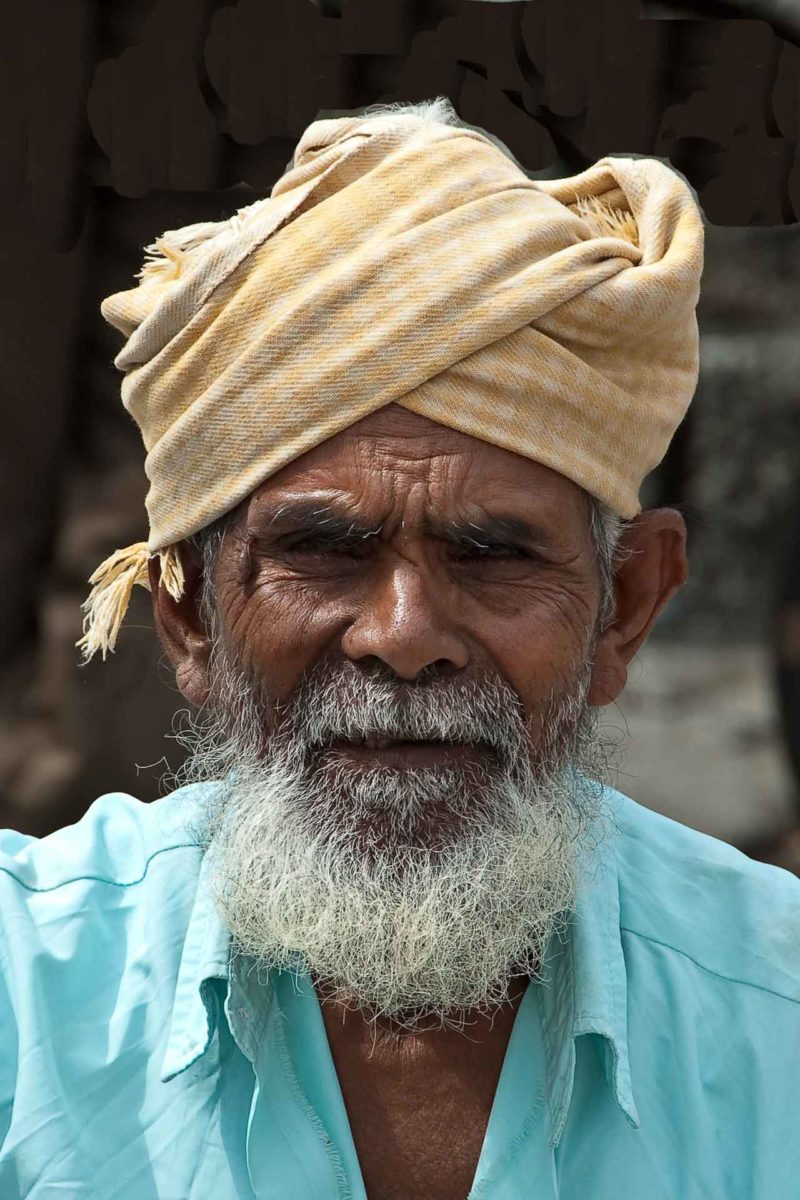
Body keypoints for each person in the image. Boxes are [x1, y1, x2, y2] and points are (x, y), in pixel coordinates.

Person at [1, 99, 797, 1200]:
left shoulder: (775, 1018)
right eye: (322, 550)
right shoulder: (22, 1001)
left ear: (623, 608)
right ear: (185, 612)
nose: (404, 638)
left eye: (491, 554)